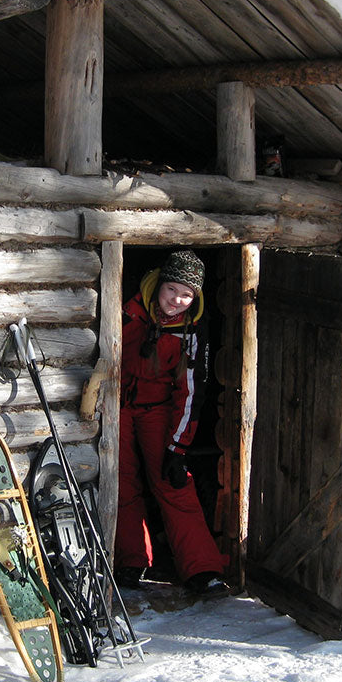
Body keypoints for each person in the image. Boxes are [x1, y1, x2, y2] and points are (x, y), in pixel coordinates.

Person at [114, 249, 228, 597]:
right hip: (117, 405)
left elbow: (191, 393)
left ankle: (202, 569)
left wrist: (178, 449)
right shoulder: (129, 309)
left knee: (173, 483)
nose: (177, 300)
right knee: (121, 482)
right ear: (159, 285)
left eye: (187, 294)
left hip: (160, 411)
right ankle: (130, 561)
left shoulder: (193, 329)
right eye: (171, 290)